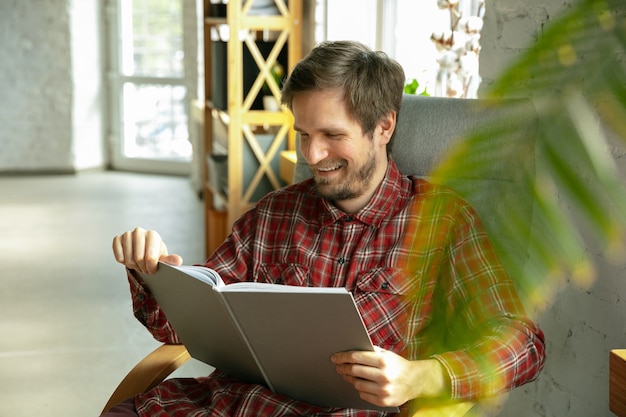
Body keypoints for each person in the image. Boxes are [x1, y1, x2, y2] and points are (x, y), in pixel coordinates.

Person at [107, 40, 545, 417]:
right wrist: (154, 271)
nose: (313, 155)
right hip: (220, 405)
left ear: (384, 125)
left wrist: (422, 376)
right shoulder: (275, 212)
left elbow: (524, 343)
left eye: (332, 135)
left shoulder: (442, 220)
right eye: (303, 134)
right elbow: (184, 328)